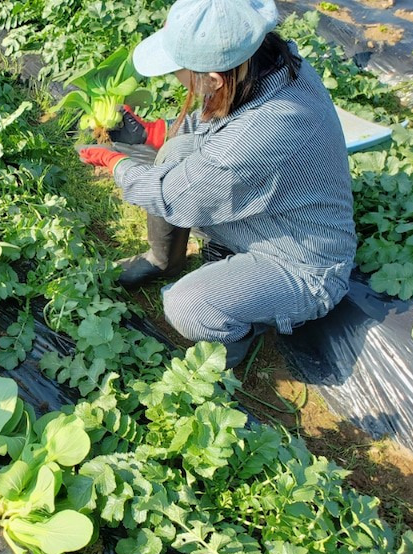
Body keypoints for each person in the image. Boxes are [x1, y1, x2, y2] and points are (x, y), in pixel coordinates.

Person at [79, 0, 356, 368]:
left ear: (213, 79)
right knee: (174, 151)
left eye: (179, 71)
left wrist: (115, 163)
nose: (174, 77)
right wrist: (155, 132)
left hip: (301, 262)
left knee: (189, 305)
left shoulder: (260, 133)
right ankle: (164, 260)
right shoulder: (268, 65)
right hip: (272, 212)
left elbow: (172, 195)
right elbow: (223, 122)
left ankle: (235, 339)